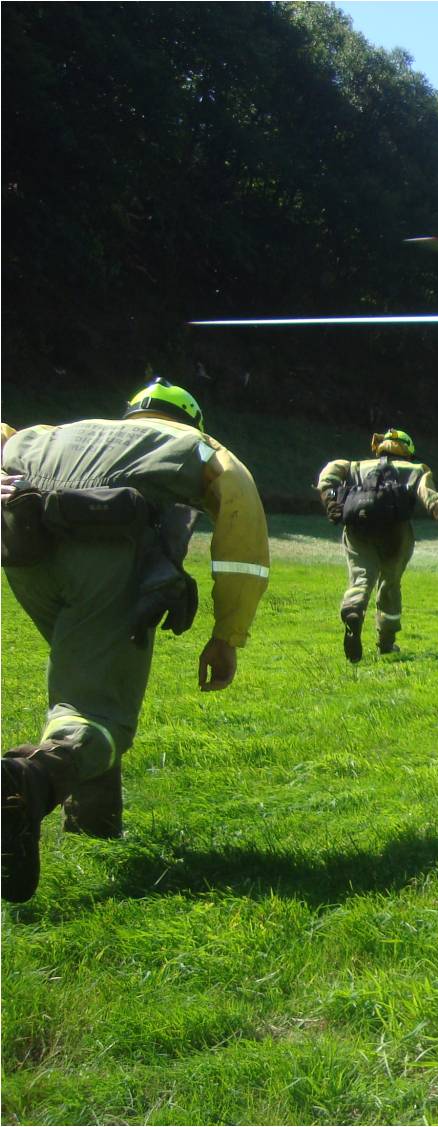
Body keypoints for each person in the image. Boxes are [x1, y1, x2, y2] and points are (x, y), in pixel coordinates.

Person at [1, 378, 270, 903]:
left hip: (24, 557)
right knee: (100, 714)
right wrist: (227, 635)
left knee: (89, 682)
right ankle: (24, 781)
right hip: (103, 560)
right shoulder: (196, 447)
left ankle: (94, 829)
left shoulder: (51, 432)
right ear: (189, 418)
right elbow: (241, 524)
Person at [315, 428, 438, 662]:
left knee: (361, 577)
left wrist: (330, 500)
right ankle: (386, 643)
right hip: (395, 533)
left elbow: (330, 471)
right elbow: (428, 494)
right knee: (390, 584)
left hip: (357, 526)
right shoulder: (415, 469)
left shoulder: (356, 466)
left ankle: (353, 610)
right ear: (407, 451)